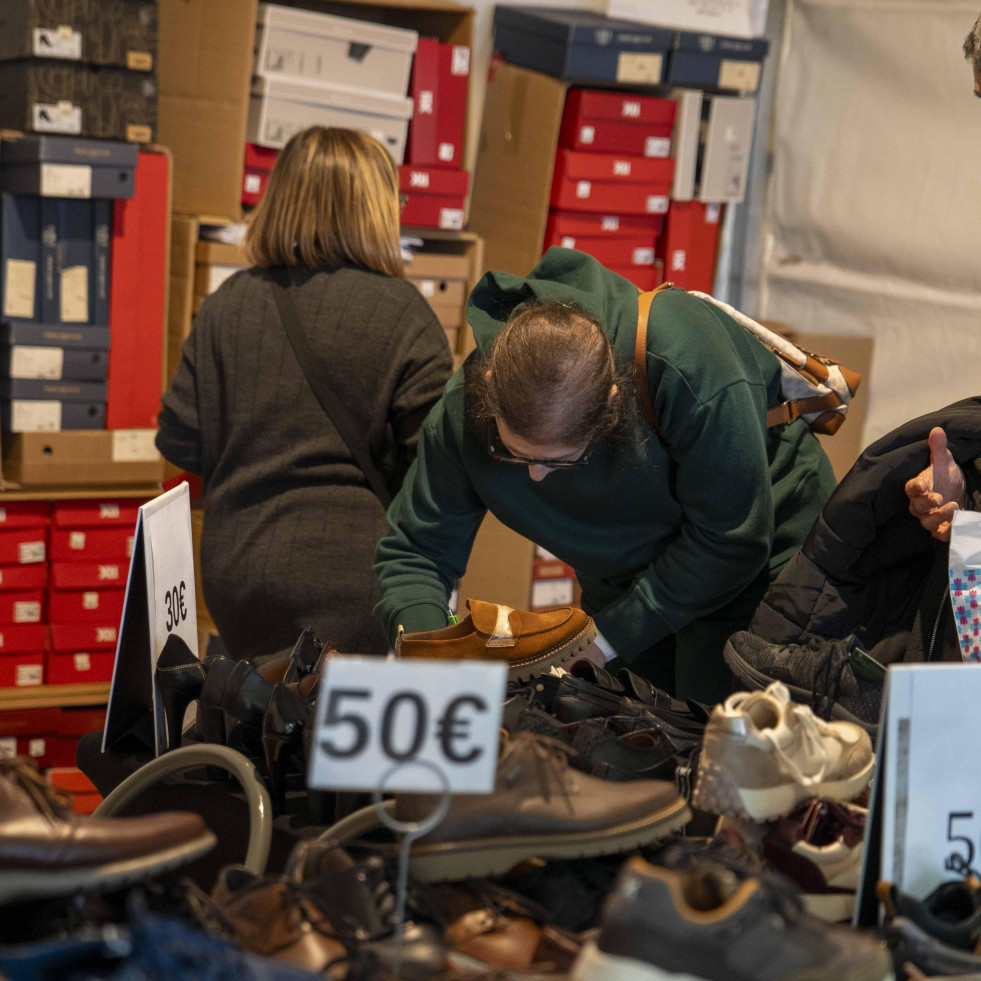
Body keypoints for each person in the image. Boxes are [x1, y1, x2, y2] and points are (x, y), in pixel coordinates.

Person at [374, 248, 837, 704]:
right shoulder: (461, 411)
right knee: (628, 732)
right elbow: (416, 550)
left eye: (558, 462)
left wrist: (608, 640)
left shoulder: (684, 359)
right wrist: (424, 650)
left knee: (719, 734)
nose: (536, 477)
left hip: (760, 558)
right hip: (624, 578)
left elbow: (732, 538)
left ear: (613, 405)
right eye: (513, 454)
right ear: (490, 385)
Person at [157, 126, 453, 659]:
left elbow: (181, 442)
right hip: (363, 581)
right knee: (343, 739)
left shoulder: (228, 304)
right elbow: (435, 469)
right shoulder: (406, 314)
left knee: (259, 728)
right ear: (378, 208)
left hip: (238, 578)